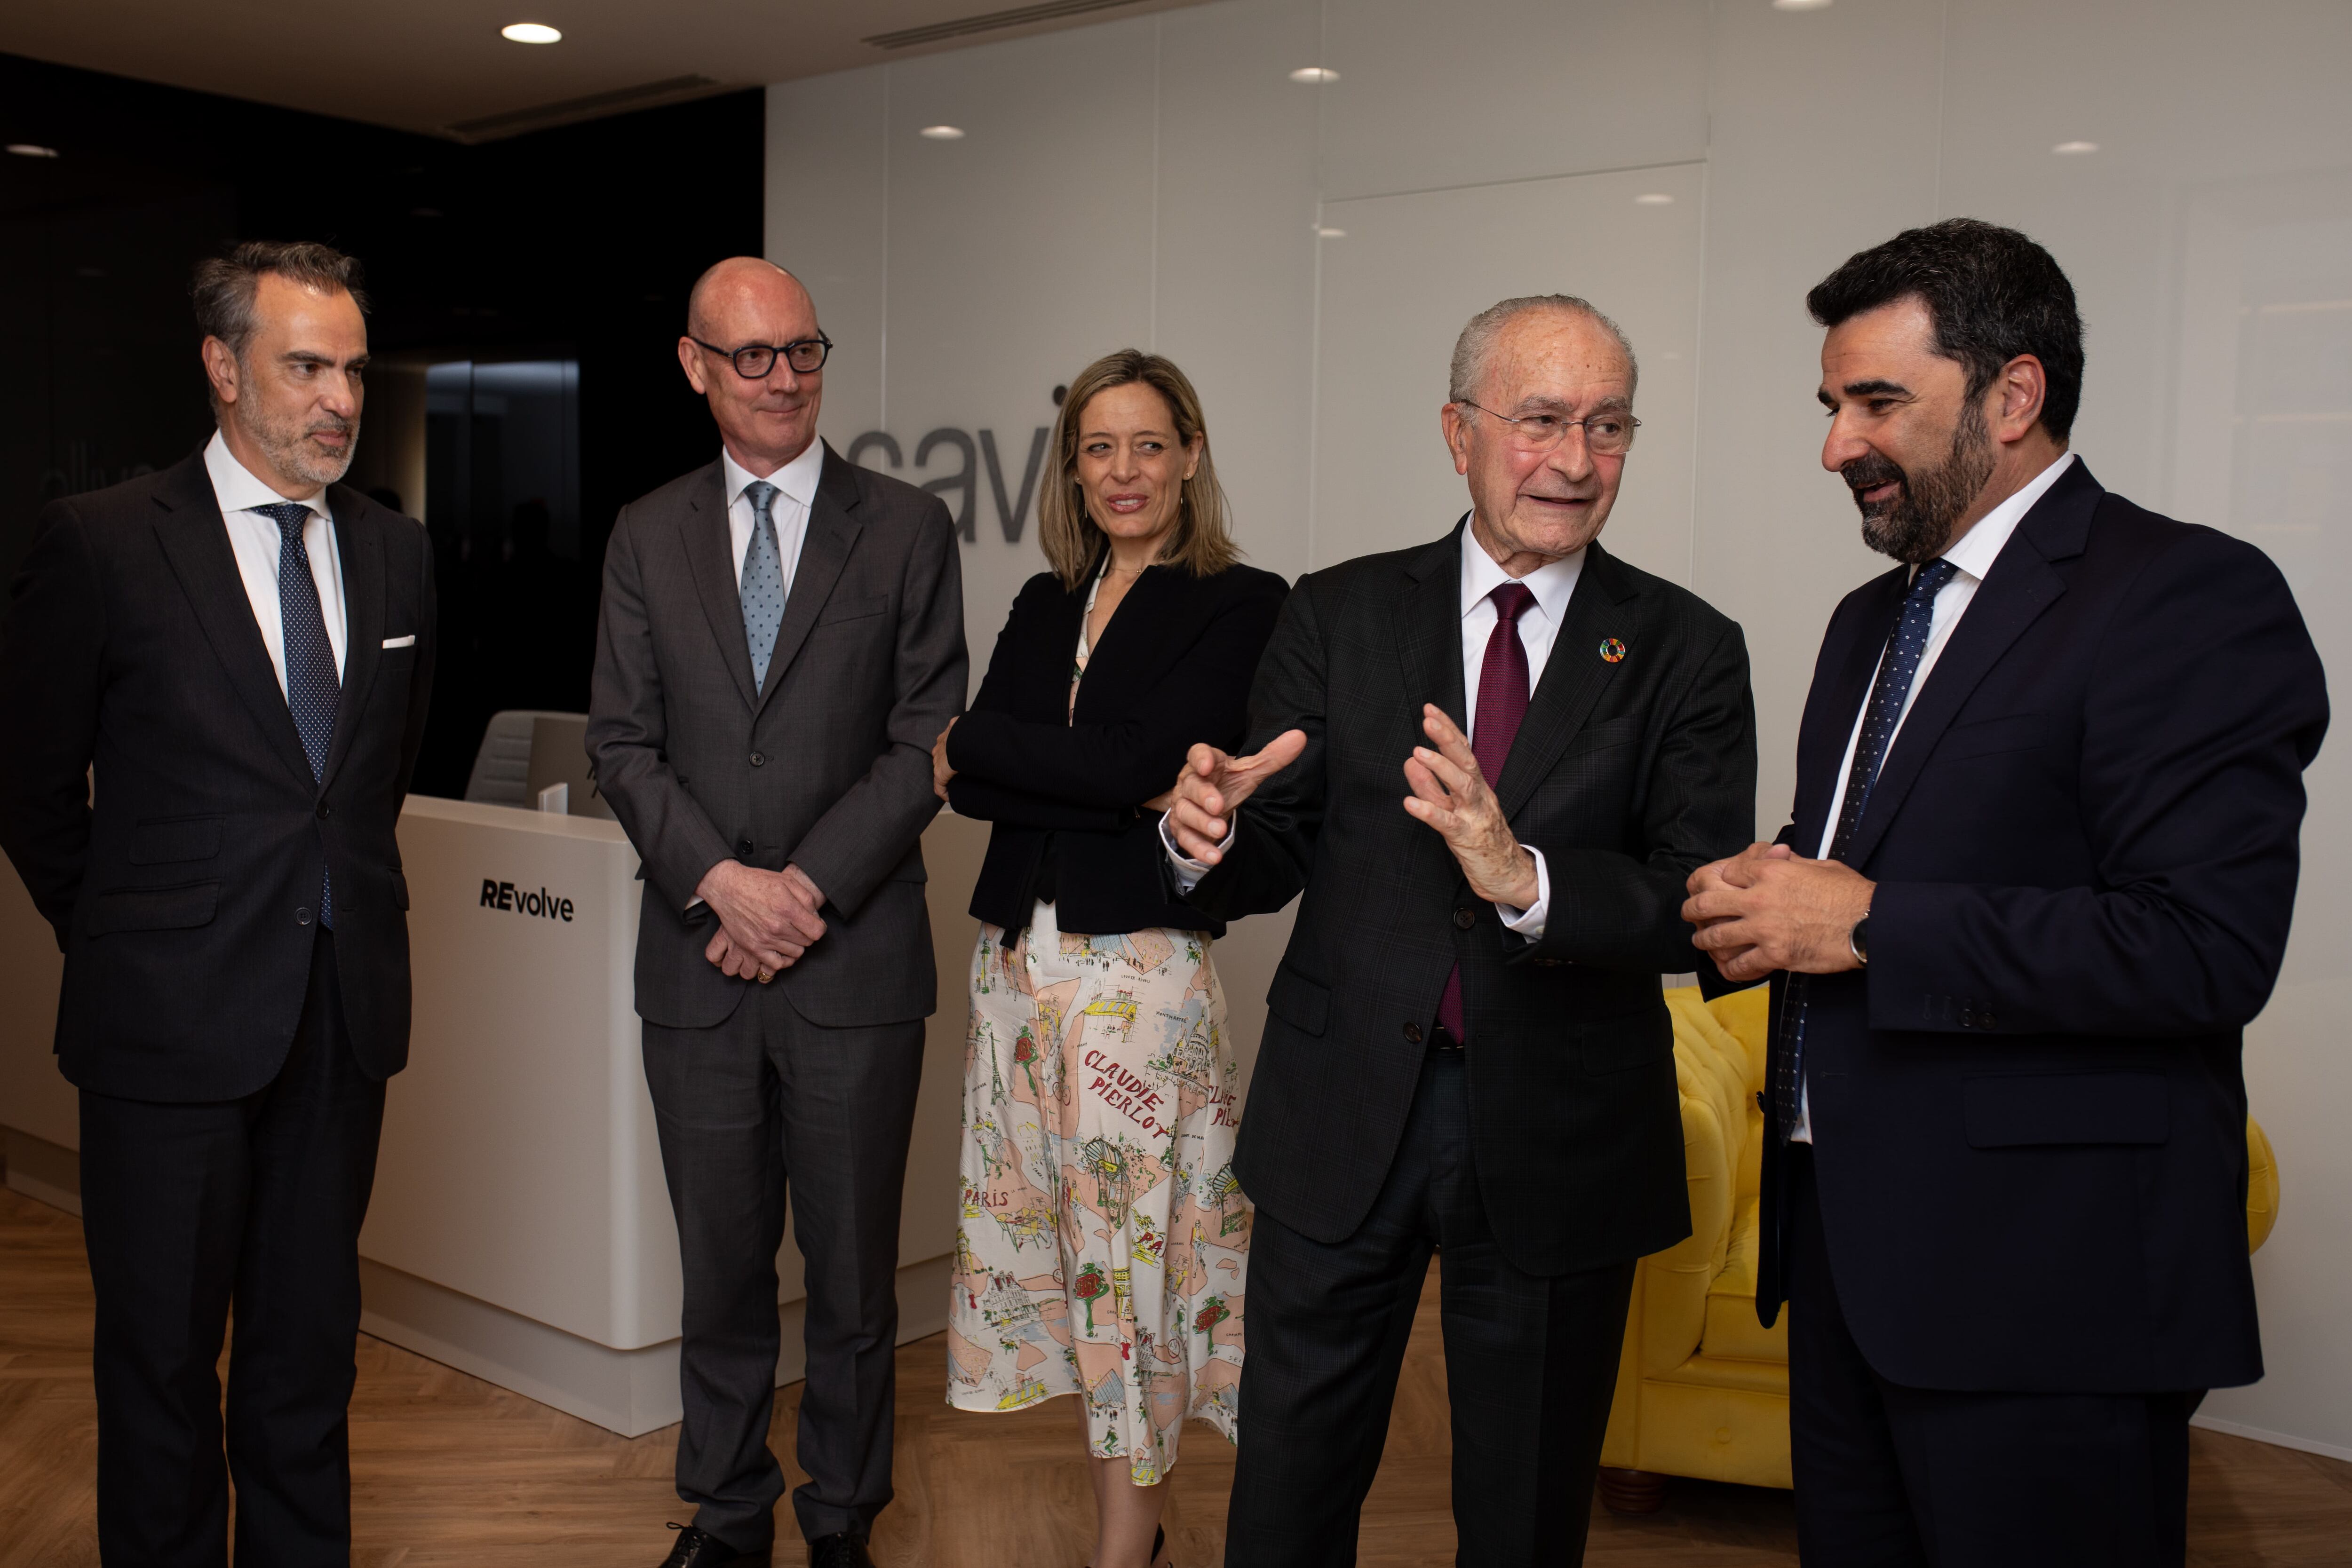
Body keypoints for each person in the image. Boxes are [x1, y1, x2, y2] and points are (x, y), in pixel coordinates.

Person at [1683, 219, 2328, 1565]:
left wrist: (1860, 921)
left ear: (2013, 395)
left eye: (1877, 403)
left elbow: (2203, 947)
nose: (1836, 444)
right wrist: (1767, 893)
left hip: (2049, 1287)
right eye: (1831, 406)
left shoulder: (2189, 596)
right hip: (1852, 1271)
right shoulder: (1873, 620)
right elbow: (1874, 862)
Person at [1160, 295, 1756, 1566]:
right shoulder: (1339, 612)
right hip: (1341, 1114)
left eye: (1608, 426)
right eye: (1541, 419)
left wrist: (1522, 873)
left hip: (1560, 1130)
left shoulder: (1687, 650)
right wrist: (1201, 833)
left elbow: (1698, 903)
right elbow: (1274, 844)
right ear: (1459, 433)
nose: (1577, 460)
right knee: (1286, 1495)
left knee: (1527, 1514)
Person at [0, 240, 437, 1565]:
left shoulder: (400, 556)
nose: (341, 398)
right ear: (221, 366)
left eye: (354, 369)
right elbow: (27, 786)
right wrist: (131, 933)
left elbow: (367, 784)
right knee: (163, 1374)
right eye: (307, 365)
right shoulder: (107, 544)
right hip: (163, 1034)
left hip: (340, 1023)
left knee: (309, 1366)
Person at [586, 257, 966, 1568]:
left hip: (853, 963)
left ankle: (845, 1520)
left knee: (856, 1282)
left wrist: (800, 891)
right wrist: (723, 886)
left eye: (803, 351)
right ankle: (730, 1509)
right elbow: (622, 745)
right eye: (752, 357)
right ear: (695, 367)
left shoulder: (907, 527)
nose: (784, 378)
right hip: (697, 966)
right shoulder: (647, 532)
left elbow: (926, 739)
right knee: (724, 1269)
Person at [933, 350, 1286, 1568]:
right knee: (1063, 1263)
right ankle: (1131, 1528)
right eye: (1098, 448)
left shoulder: (1241, 602)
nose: (1123, 472)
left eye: (1148, 444)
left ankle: (1122, 1548)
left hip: (1138, 987)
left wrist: (1017, 753)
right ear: (1071, 468)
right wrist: (1084, 771)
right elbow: (984, 777)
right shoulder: (1044, 603)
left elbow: (1127, 755)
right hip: (1015, 976)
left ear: (1191, 453)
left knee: (1134, 1268)